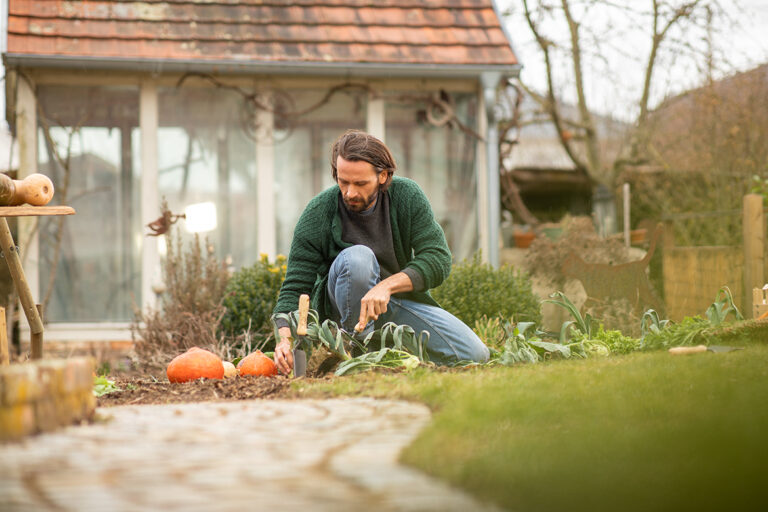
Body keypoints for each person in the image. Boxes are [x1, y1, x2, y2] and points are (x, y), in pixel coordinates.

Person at [272, 130, 489, 374]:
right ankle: (355, 353)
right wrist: (284, 340)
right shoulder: (318, 213)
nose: (350, 192)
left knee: (474, 354)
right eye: (343, 182)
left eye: (361, 183)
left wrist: (385, 287)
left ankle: (393, 355)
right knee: (358, 259)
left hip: (392, 303)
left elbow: (437, 258)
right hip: (341, 313)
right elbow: (294, 288)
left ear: (383, 176)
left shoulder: (407, 196)